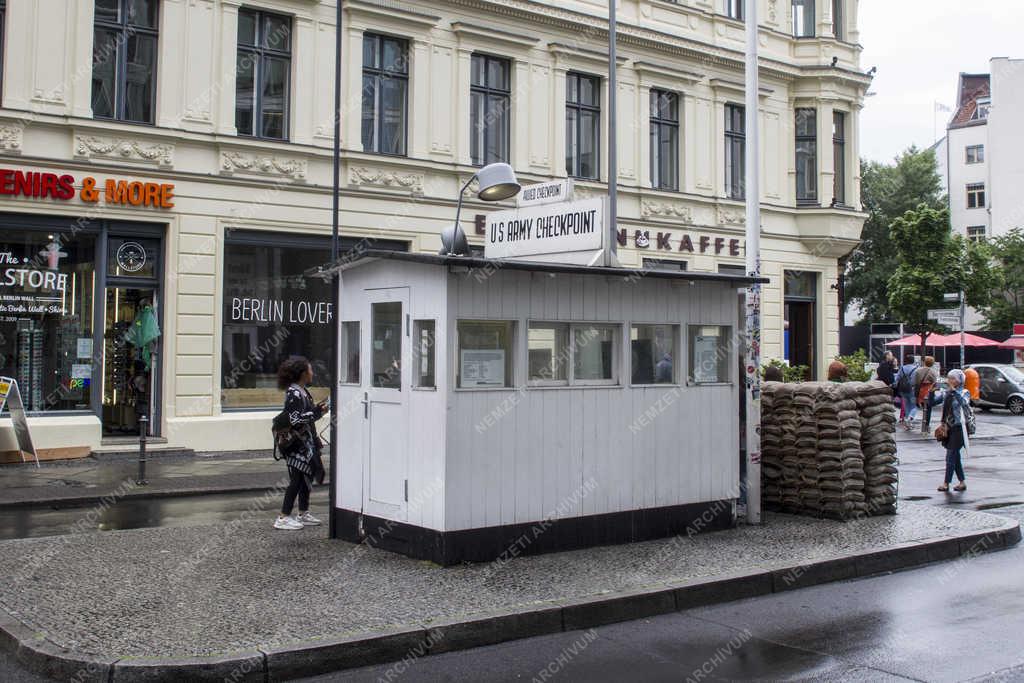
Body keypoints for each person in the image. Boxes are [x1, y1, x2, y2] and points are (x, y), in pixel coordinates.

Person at [273, 356, 329, 531]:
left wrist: (316, 411)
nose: (312, 373)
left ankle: (303, 512)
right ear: (303, 374)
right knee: (296, 479)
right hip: (296, 445)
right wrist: (317, 413)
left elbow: (304, 415)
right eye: (310, 370)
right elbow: (295, 419)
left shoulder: (303, 391)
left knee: (306, 478)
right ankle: (283, 517)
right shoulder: (294, 393)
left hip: (306, 442)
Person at [937, 369, 971, 493]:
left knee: (950, 455)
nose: (950, 381)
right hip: (949, 428)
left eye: (953, 379)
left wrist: (954, 391)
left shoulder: (965, 392)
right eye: (949, 378)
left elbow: (964, 403)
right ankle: (962, 482)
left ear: (960, 380)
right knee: (955, 456)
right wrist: (930, 393)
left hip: (960, 428)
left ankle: (946, 483)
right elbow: (933, 402)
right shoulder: (948, 393)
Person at [914, 356, 939, 433]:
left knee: (924, 408)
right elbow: (935, 384)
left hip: (921, 391)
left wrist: (916, 395)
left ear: (924, 362)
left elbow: (916, 383)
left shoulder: (918, 371)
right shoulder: (933, 372)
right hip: (929, 392)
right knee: (928, 409)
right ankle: (926, 426)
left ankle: (924, 426)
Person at [894, 353, 918, 430]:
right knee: (914, 406)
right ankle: (910, 418)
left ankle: (908, 424)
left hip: (903, 390)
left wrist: (895, 385)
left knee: (907, 406)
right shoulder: (916, 368)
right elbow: (915, 381)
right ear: (913, 361)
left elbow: (897, 378)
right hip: (912, 390)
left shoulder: (902, 368)